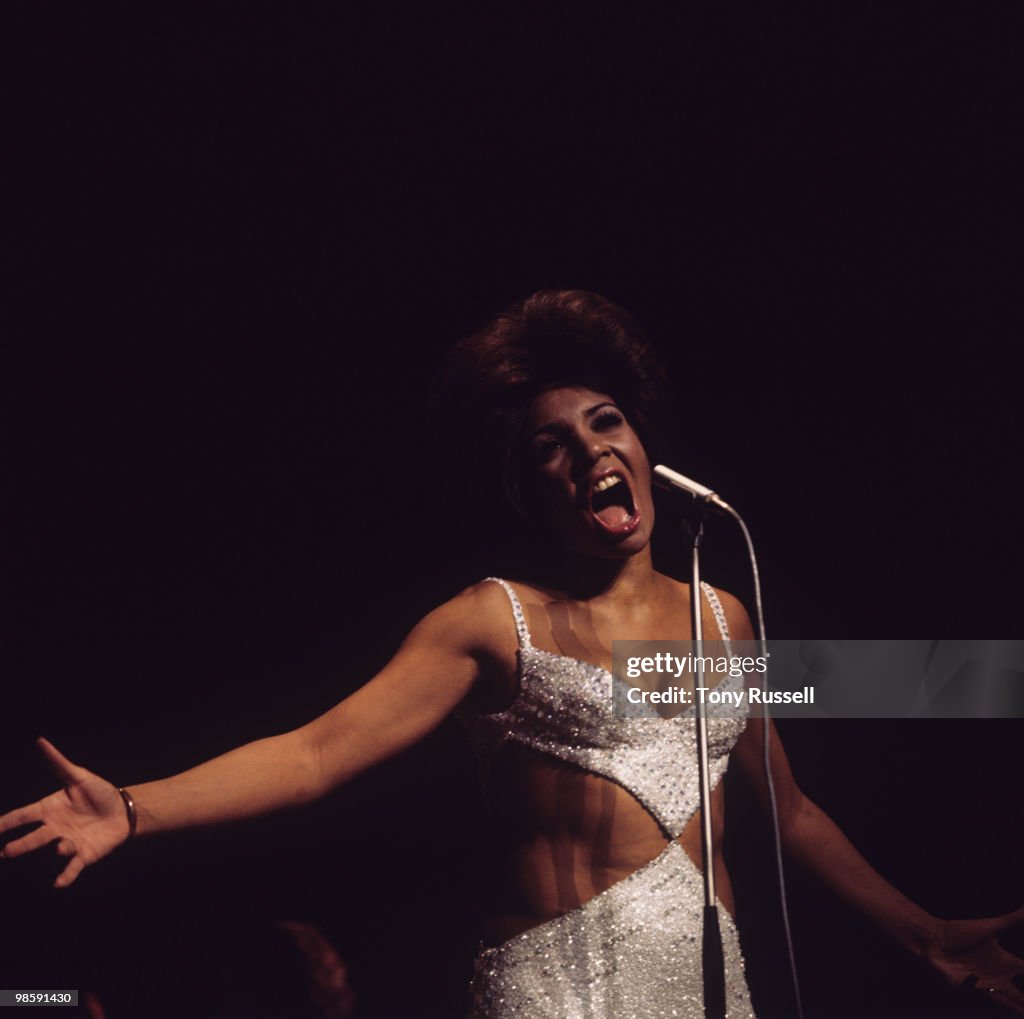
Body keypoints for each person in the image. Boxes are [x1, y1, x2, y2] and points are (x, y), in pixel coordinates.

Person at [2, 290, 1022, 1018]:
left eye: (604, 421)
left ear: (644, 450)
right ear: (530, 492)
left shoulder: (722, 618)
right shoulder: (496, 620)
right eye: (551, 444)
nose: (589, 450)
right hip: (560, 989)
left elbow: (787, 809)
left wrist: (922, 932)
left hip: (712, 990)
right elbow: (316, 753)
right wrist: (134, 806)